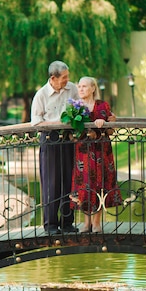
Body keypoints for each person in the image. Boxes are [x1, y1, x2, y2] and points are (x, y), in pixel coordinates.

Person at [31, 61, 80, 235]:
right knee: (51, 183)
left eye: (68, 76)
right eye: (64, 77)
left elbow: (78, 109)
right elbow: (36, 122)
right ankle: (50, 225)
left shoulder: (72, 89)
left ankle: (67, 223)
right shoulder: (41, 95)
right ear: (53, 78)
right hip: (50, 139)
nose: (67, 80)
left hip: (68, 138)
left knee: (69, 180)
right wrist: (56, 123)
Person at [70, 76, 122, 233]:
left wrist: (105, 123)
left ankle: (97, 222)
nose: (80, 89)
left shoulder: (102, 106)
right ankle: (86, 223)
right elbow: (71, 132)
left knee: (100, 184)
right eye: (79, 86)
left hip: (101, 151)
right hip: (83, 152)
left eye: (84, 86)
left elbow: (112, 130)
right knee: (85, 185)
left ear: (93, 88)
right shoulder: (75, 107)